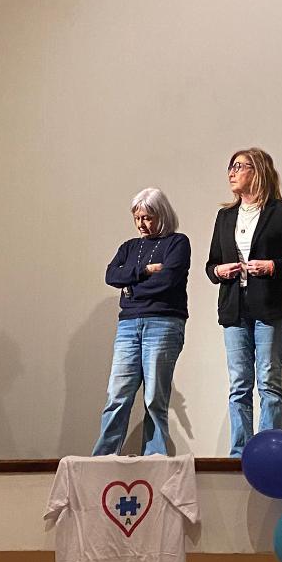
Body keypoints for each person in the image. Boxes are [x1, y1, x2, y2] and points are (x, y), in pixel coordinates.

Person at [206, 147, 282, 457]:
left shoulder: (281, 211)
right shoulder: (225, 216)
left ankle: (268, 452)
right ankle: (239, 452)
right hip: (234, 307)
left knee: (268, 380)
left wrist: (273, 266)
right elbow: (211, 265)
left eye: (239, 166)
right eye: (231, 167)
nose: (232, 172)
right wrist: (218, 271)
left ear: (258, 171)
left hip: (271, 307)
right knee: (239, 383)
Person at [92, 188, 190, 456]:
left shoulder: (177, 243)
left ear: (162, 215)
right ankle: (103, 458)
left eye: (147, 218)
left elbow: (167, 282)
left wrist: (131, 288)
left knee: (155, 397)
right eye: (137, 218)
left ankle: (155, 457)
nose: (141, 224)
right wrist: (146, 270)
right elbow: (111, 275)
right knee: (117, 394)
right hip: (128, 325)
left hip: (163, 323)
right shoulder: (129, 247)